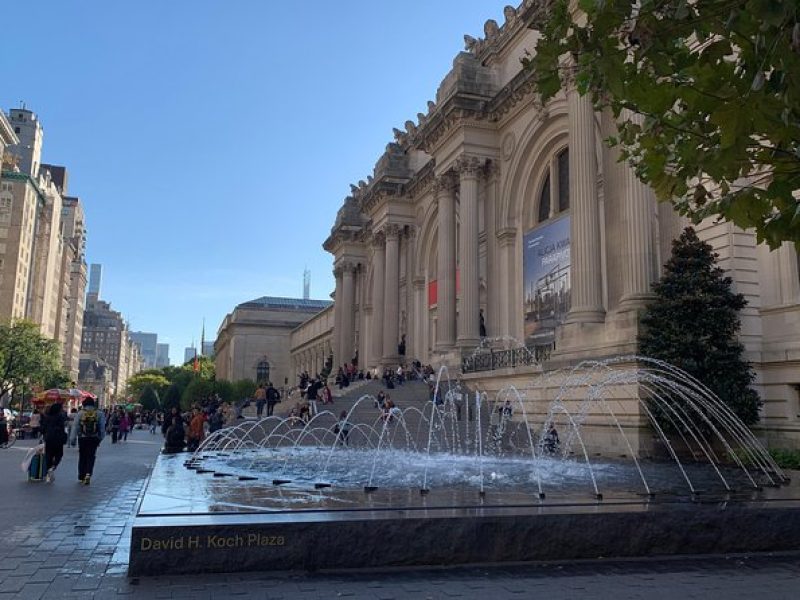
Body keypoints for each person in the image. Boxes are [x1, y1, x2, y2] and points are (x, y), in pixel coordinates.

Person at [68, 398, 106, 485]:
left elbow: (75, 427)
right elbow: (102, 428)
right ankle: (88, 474)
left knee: (82, 456)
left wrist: (72, 439)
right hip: (94, 438)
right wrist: (100, 439)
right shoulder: (99, 413)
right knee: (91, 456)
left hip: (83, 438)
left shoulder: (80, 413)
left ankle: (81, 476)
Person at [42, 402, 68, 483]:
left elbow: (42, 428)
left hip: (49, 438)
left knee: (48, 455)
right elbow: (63, 427)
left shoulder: (47, 417)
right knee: (59, 454)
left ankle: (48, 470)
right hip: (58, 439)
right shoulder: (61, 417)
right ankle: (53, 467)